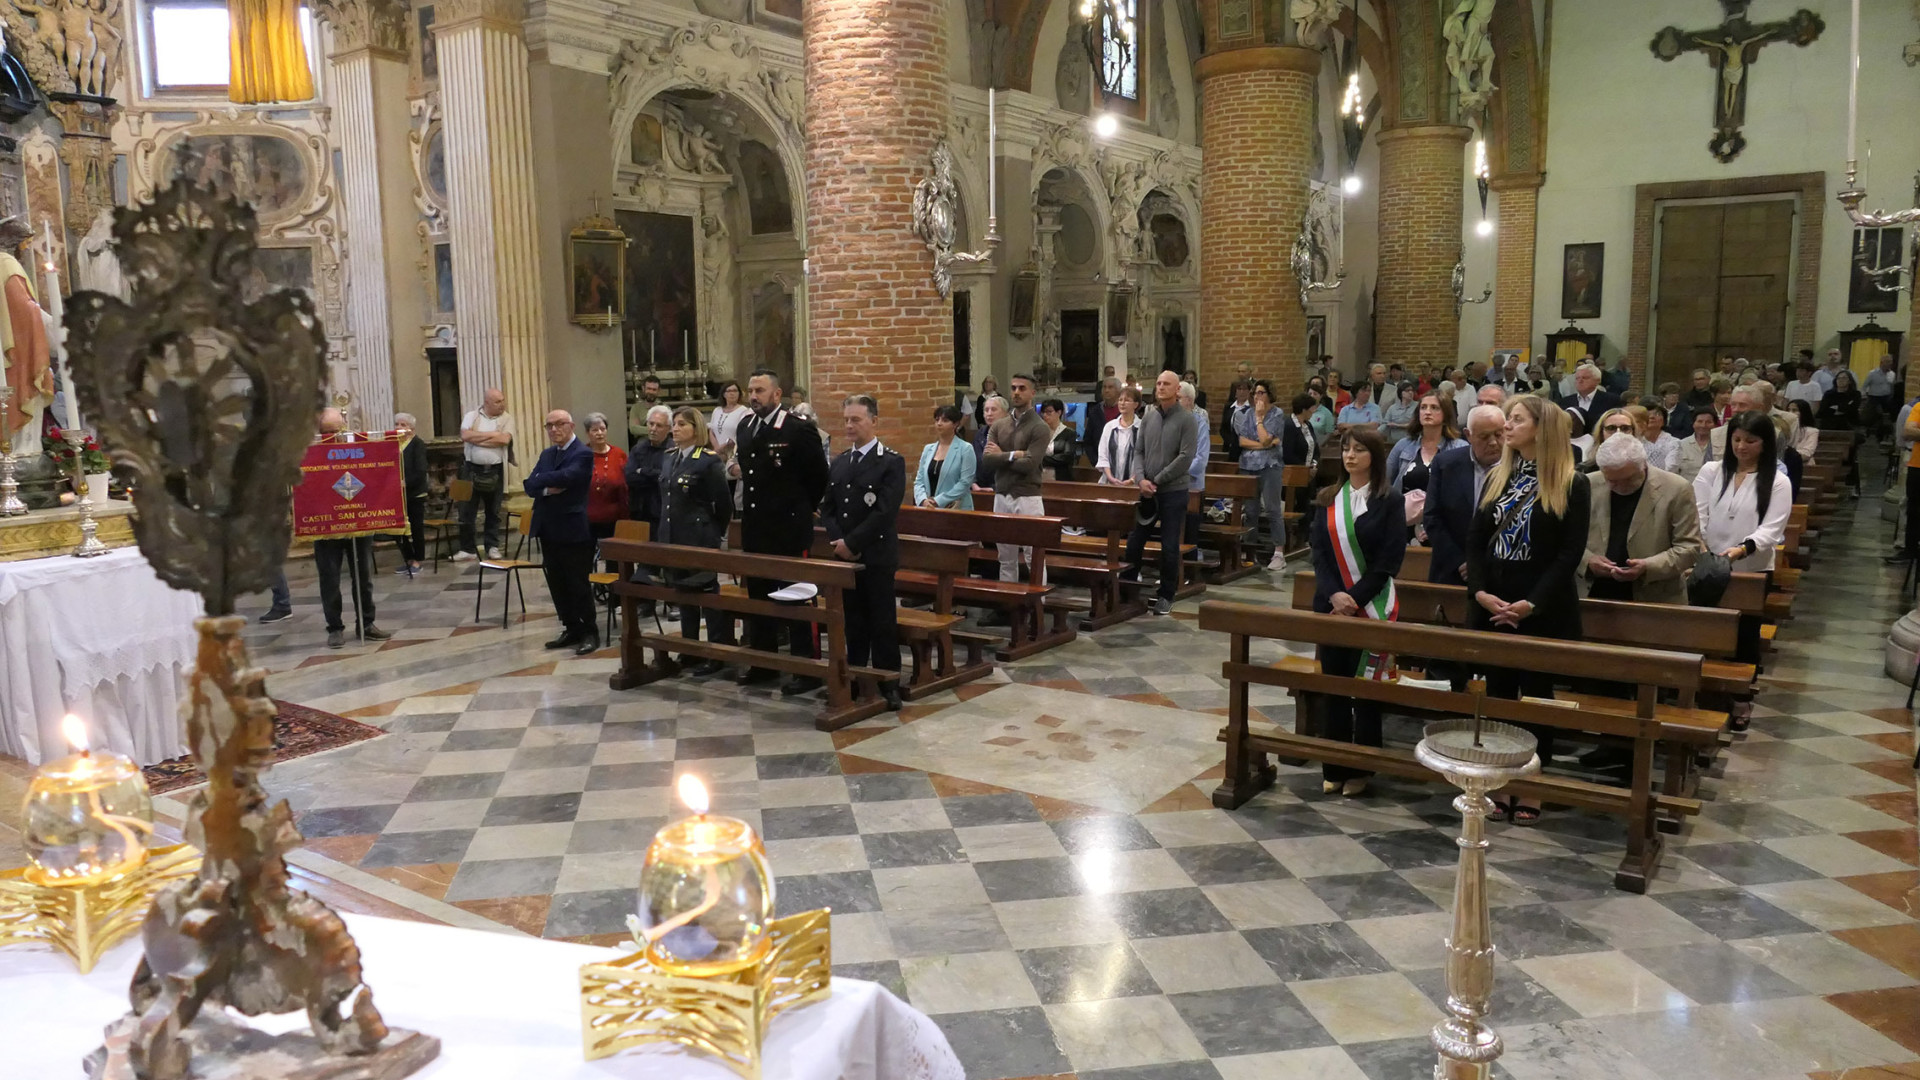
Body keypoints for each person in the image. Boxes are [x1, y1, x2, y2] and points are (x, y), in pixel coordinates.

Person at [1468, 395, 1590, 824]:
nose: (1507, 426)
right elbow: (1477, 542)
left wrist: (1531, 603)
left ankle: (1532, 785)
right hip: (1495, 600)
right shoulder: (1499, 476)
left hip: (1541, 605)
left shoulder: (1573, 483)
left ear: (1540, 428)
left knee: (1537, 697)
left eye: (1516, 419)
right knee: (1498, 695)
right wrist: (1481, 593)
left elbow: (1569, 554)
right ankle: (1501, 783)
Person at [1307, 426, 1406, 797]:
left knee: (1365, 689)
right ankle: (1333, 764)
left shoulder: (1389, 500)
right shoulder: (1328, 497)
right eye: (1346, 449)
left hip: (1371, 607)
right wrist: (1335, 595)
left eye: (1359, 450)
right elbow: (1319, 555)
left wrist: (1356, 599)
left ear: (1374, 457)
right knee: (1335, 685)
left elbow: (1388, 560)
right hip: (1333, 608)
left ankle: (1363, 767)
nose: (1350, 456)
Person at [736, 368, 831, 692]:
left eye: (759, 391)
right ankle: (765, 663)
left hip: (789, 529)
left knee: (797, 597)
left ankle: (807, 668)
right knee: (759, 598)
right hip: (756, 528)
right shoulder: (746, 427)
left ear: (777, 395)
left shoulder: (797, 429)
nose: (753, 396)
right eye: (750, 390)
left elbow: (818, 476)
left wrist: (800, 508)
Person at [1695, 411, 1793, 684]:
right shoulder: (1712, 471)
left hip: (1752, 566)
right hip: (1708, 561)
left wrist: (1742, 549)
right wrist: (1702, 545)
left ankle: (1740, 694)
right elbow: (1697, 512)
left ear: (1764, 443)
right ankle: (1705, 686)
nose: (1741, 447)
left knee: (1744, 633)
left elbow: (1772, 528)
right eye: (1736, 439)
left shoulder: (1777, 481)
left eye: (1750, 441)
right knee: (1705, 627)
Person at [822, 395, 906, 711]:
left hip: (876, 554)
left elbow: (884, 512)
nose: (849, 425)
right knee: (852, 621)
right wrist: (839, 543)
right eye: (846, 419)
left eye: (856, 419)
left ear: (873, 420)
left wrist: (853, 544)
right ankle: (854, 679)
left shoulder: (890, 462)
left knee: (882, 621)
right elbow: (828, 508)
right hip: (844, 555)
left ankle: (888, 682)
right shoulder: (841, 461)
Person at [655, 407, 734, 675]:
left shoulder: (708, 461)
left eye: (681, 424)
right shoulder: (669, 458)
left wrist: (713, 532)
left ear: (695, 429)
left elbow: (723, 504)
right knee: (683, 593)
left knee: (706, 594)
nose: (675, 429)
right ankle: (689, 650)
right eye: (674, 424)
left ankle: (715, 651)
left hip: (699, 538)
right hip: (673, 537)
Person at [1583, 435, 1702, 605]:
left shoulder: (1677, 489)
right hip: (1593, 592)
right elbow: (1565, 539)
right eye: (1612, 481)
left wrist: (1648, 566)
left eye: (1629, 479)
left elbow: (1689, 548)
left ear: (1644, 465)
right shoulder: (1587, 484)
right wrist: (1588, 560)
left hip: (1655, 596)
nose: (1620, 487)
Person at [1122, 370, 1198, 616]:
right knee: (1135, 542)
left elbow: (1186, 457)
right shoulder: (1149, 417)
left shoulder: (1187, 419)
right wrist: (1141, 479)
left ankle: (1166, 594)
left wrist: (1157, 479)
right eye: (1158, 383)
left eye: (1166, 384)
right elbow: (1139, 451)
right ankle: (1128, 590)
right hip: (1147, 491)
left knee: (1169, 546)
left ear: (1177, 390)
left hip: (1173, 491)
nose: (1161, 387)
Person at [312, 409, 389, 649]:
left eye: (338, 430)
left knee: (363, 576)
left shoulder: (358, 449)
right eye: (328, 432)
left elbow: (374, 472)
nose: (334, 436)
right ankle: (335, 628)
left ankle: (366, 623)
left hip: (357, 521)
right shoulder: (310, 453)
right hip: (326, 524)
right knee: (330, 578)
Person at [525, 410, 598, 655]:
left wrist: (541, 480)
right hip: (548, 526)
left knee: (577, 582)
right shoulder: (547, 454)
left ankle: (589, 631)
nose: (554, 429)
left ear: (571, 425)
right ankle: (570, 627)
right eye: (549, 426)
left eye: (559, 424)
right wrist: (546, 488)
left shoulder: (583, 453)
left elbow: (570, 477)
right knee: (556, 581)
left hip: (572, 527)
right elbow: (529, 484)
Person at [981, 373, 1050, 591]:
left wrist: (1002, 455)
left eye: (1022, 388)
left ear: (1032, 392)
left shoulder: (1039, 427)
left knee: (1033, 555)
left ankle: (1038, 604)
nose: (1017, 392)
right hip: (1002, 494)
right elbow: (987, 460)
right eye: (1013, 388)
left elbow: (1030, 464)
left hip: (1028, 496)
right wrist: (1013, 455)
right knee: (1006, 555)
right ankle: (1007, 603)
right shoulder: (1000, 425)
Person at [1425, 404, 1506, 584]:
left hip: (1501, 575)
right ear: (1468, 435)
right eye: (1484, 436)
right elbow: (1432, 517)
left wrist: (1483, 564)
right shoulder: (1446, 464)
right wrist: (1460, 562)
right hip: (1451, 570)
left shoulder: (1519, 467)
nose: (1493, 442)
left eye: (1499, 434)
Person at [454, 388, 514, 561]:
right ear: (487, 402)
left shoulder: (507, 418)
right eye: (497, 402)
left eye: (502, 400)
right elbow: (465, 435)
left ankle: (492, 546)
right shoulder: (471, 416)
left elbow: (504, 440)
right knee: (466, 510)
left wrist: (478, 438)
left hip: (495, 469)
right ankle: (467, 549)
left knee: (493, 510)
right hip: (469, 469)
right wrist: (493, 435)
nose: (502, 404)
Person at [1235, 382, 1289, 572]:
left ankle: (1279, 553)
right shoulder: (1245, 414)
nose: (1257, 396)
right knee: (1250, 511)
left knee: (1273, 509)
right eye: (1255, 393)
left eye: (1261, 393)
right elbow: (1242, 441)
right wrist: (1264, 444)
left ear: (1269, 394)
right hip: (1248, 466)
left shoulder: (1277, 414)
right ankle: (1249, 553)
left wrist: (1259, 420)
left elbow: (1266, 437)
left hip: (1270, 466)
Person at [1385, 392, 1464, 494]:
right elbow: (1385, 482)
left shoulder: (1459, 448)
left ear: (1446, 414)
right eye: (1423, 407)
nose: (1427, 412)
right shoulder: (1403, 445)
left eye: (1434, 408)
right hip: (1404, 507)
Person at [914, 404, 976, 509]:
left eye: (945, 420)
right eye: (937, 420)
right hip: (928, 508)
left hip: (956, 508)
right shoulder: (928, 449)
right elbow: (919, 481)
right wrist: (923, 500)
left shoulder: (965, 449)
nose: (939, 424)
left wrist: (938, 500)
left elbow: (965, 483)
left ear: (955, 424)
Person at [582, 412, 629, 543]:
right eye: (595, 430)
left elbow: (626, 486)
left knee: (615, 559)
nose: (599, 433)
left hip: (615, 518)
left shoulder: (619, 454)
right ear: (587, 433)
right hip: (587, 519)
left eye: (603, 429)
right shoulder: (580, 455)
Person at [1817, 369, 1864, 494]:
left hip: (1848, 427)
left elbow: (1852, 410)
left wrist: (1837, 408)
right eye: (1839, 378)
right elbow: (1822, 411)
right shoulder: (1829, 394)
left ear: (1849, 381)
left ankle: (1852, 484)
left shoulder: (1855, 394)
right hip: (1829, 428)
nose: (1841, 381)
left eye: (1844, 378)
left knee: (1851, 457)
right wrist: (1842, 408)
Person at [393, 412, 428, 576]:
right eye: (397, 424)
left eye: (403, 425)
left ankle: (418, 560)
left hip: (414, 493)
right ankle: (407, 559)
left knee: (416, 527)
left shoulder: (417, 444)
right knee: (401, 528)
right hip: (399, 494)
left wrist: (406, 482)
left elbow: (421, 470)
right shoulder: (395, 444)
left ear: (411, 428)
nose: (399, 428)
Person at [1180, 382, 1211, 545]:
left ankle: (1190, 564)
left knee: (1190, 534)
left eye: (1178, 398)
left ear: (1189, 401)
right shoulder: (1170, 422)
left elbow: (1200, 459)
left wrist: (1177, 472)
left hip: (1192, 486)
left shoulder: (1200, 424)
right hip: (1172, 486)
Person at [1096, 385, 1143, 486]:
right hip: (1109, 482)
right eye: (1120, 400)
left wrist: (1132, 480)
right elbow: (1103, 455)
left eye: (1127, 400)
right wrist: (1110, 477)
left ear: (1135, 404)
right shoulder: (1110, 426)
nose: (1122, 403)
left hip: (1134, 483)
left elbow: (1145, 457)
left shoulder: (1142, 427)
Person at [1892, 393, 1920, 564]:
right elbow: (1908, 431)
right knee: (1914, 508)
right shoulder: (1918, 407)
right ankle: (1909, 550)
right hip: (1918, 466)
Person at [1555, 363, 1621, 433]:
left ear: (1597, 380)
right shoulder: (1565, 402)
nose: (1580, 381)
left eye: (1585, 378)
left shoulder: (1611, 401)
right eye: (1577, 378)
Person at [1082, 376, 1122, 466]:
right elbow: (1088, 440)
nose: (1106, 390)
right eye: (1104, 387)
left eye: (1110, 387)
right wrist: (1096, 461)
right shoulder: (1095, 411)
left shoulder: (1124, 411)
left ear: (1119, 391)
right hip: (1099, 463)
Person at [1040, 398, 1079, 482]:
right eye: (1043, 412)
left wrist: (1041, 459)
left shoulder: (1069, 433)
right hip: (1040, 477)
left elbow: (1066, 457)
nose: (1045, 415)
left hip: (1061, 478)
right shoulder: (1039, 432)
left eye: (1049, 412)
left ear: (1059, 412)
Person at [1678, 409, 1717, 482]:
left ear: (1715, 425)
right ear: (1693, 424)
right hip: (1688, 489)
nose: (1703, 425)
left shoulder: (1721, 445)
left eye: (1708, 422)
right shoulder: (1681, 444)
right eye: (1700, 421)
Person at [1865, 354, 1898, 441]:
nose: (1889, 364)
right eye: (1887, 362)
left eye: (1890, 362)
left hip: (1887, 398)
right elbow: (1865, 385)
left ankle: (1883, 436)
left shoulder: (1892, 374)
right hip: (1874, 398)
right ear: (1881, 363)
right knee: (1872, 417)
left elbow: (1892, 387)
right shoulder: (1872, 373)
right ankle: (1869, 435)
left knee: (1886, 418)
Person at [626, 375, 664, 447]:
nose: (651, 392)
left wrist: (644, 430)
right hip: (643, 445)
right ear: (643, 389)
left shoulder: (665, 408)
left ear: (659, 391)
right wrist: (657, 430)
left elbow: (668, 429)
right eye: (649, 389)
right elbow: (634, 429)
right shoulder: (636, 408)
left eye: (654, 389)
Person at [1221, 379, 1253, 464]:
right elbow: (1223, 428)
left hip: (1246, 449)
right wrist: (1230, 441)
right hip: (1229, 448)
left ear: (1249, 392)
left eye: (1245, 389)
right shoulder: (1229, 407)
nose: (1241, 392)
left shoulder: (1251, 409)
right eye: (1239, 389)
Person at [974, 394, 1005, 459]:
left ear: (1005, 413)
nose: (989, 413)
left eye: (993, 409)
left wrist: (1002, 455)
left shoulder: (1013, 433)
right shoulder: (981, 433)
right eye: (986, 410)